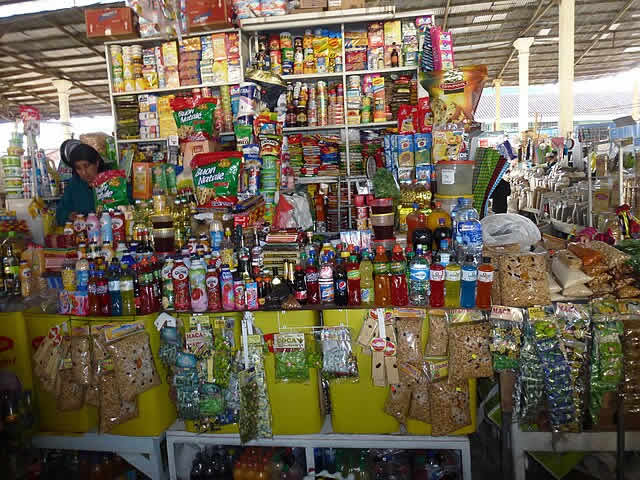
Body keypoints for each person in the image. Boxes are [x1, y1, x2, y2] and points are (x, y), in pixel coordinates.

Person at [56, 139, 108, 226]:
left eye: (86, 166)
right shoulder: (74, 185)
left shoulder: (113, 181)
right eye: (78, 168)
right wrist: (70, 216)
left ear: (97, 163)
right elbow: (60, 213)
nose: (84, 172)